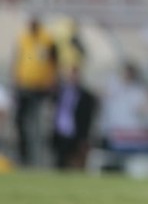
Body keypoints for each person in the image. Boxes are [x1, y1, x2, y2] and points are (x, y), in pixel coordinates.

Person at [12, 16, 59, 166]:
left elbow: (55, 62)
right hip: (25, 87)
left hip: (42, 90)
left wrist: (52, 81)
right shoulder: (23, 38)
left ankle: (41, 158)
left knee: (41, 125)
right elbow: (18, 59)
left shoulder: (47, 39)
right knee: (21, 123)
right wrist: (17, 79)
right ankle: (24, 156)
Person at [50, 65, 98, 170]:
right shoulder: (60, 92)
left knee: (75, 162)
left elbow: (87, 118)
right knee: (59, 161)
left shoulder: (86, 95)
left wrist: (84, 137)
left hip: (76, 133)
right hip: (60, 132)